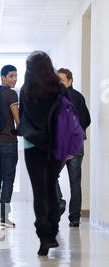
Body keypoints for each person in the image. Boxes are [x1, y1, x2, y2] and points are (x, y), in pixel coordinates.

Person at [16, 51, 71, 256]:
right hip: (55, 146)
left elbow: (22, 117)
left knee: (39, 192)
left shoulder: (26, 90)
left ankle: (45, 238)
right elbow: (66, 118)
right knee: (51, 189)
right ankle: (54, 231)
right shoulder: (59, 89)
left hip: (33, 147)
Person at [56, 68, 91, 227]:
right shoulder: (79, 97)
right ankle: (75, 218)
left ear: (70, 81)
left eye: (61, 80)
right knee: (75, 182)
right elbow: (87, 120)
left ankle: (59, 203)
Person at [0, 65, 20, 228]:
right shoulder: (11, 93)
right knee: (8, 180)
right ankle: (4, 217)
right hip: (8, 143)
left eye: (16, 76)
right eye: (11, 76)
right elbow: (18, 120)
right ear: (3, 77)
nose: (14, 79)